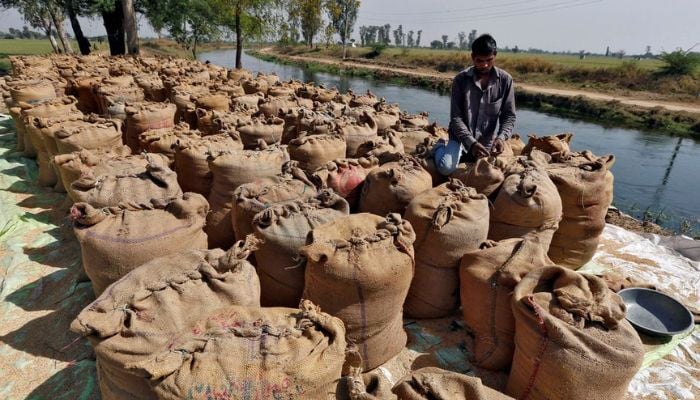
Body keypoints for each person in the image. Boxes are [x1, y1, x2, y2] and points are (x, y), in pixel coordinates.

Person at [434, 33, 516, 176]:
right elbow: (456, 119)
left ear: (495, 55)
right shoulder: (461, 80)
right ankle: (439, 146)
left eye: (489, 60)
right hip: (460, 137)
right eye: (479, 60)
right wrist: (471, 143)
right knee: (446, 168)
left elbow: (508, 116)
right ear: (473, 57)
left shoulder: (505, 80)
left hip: (486, 141)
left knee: (491, 175)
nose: (484, 65)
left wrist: (501, 138)